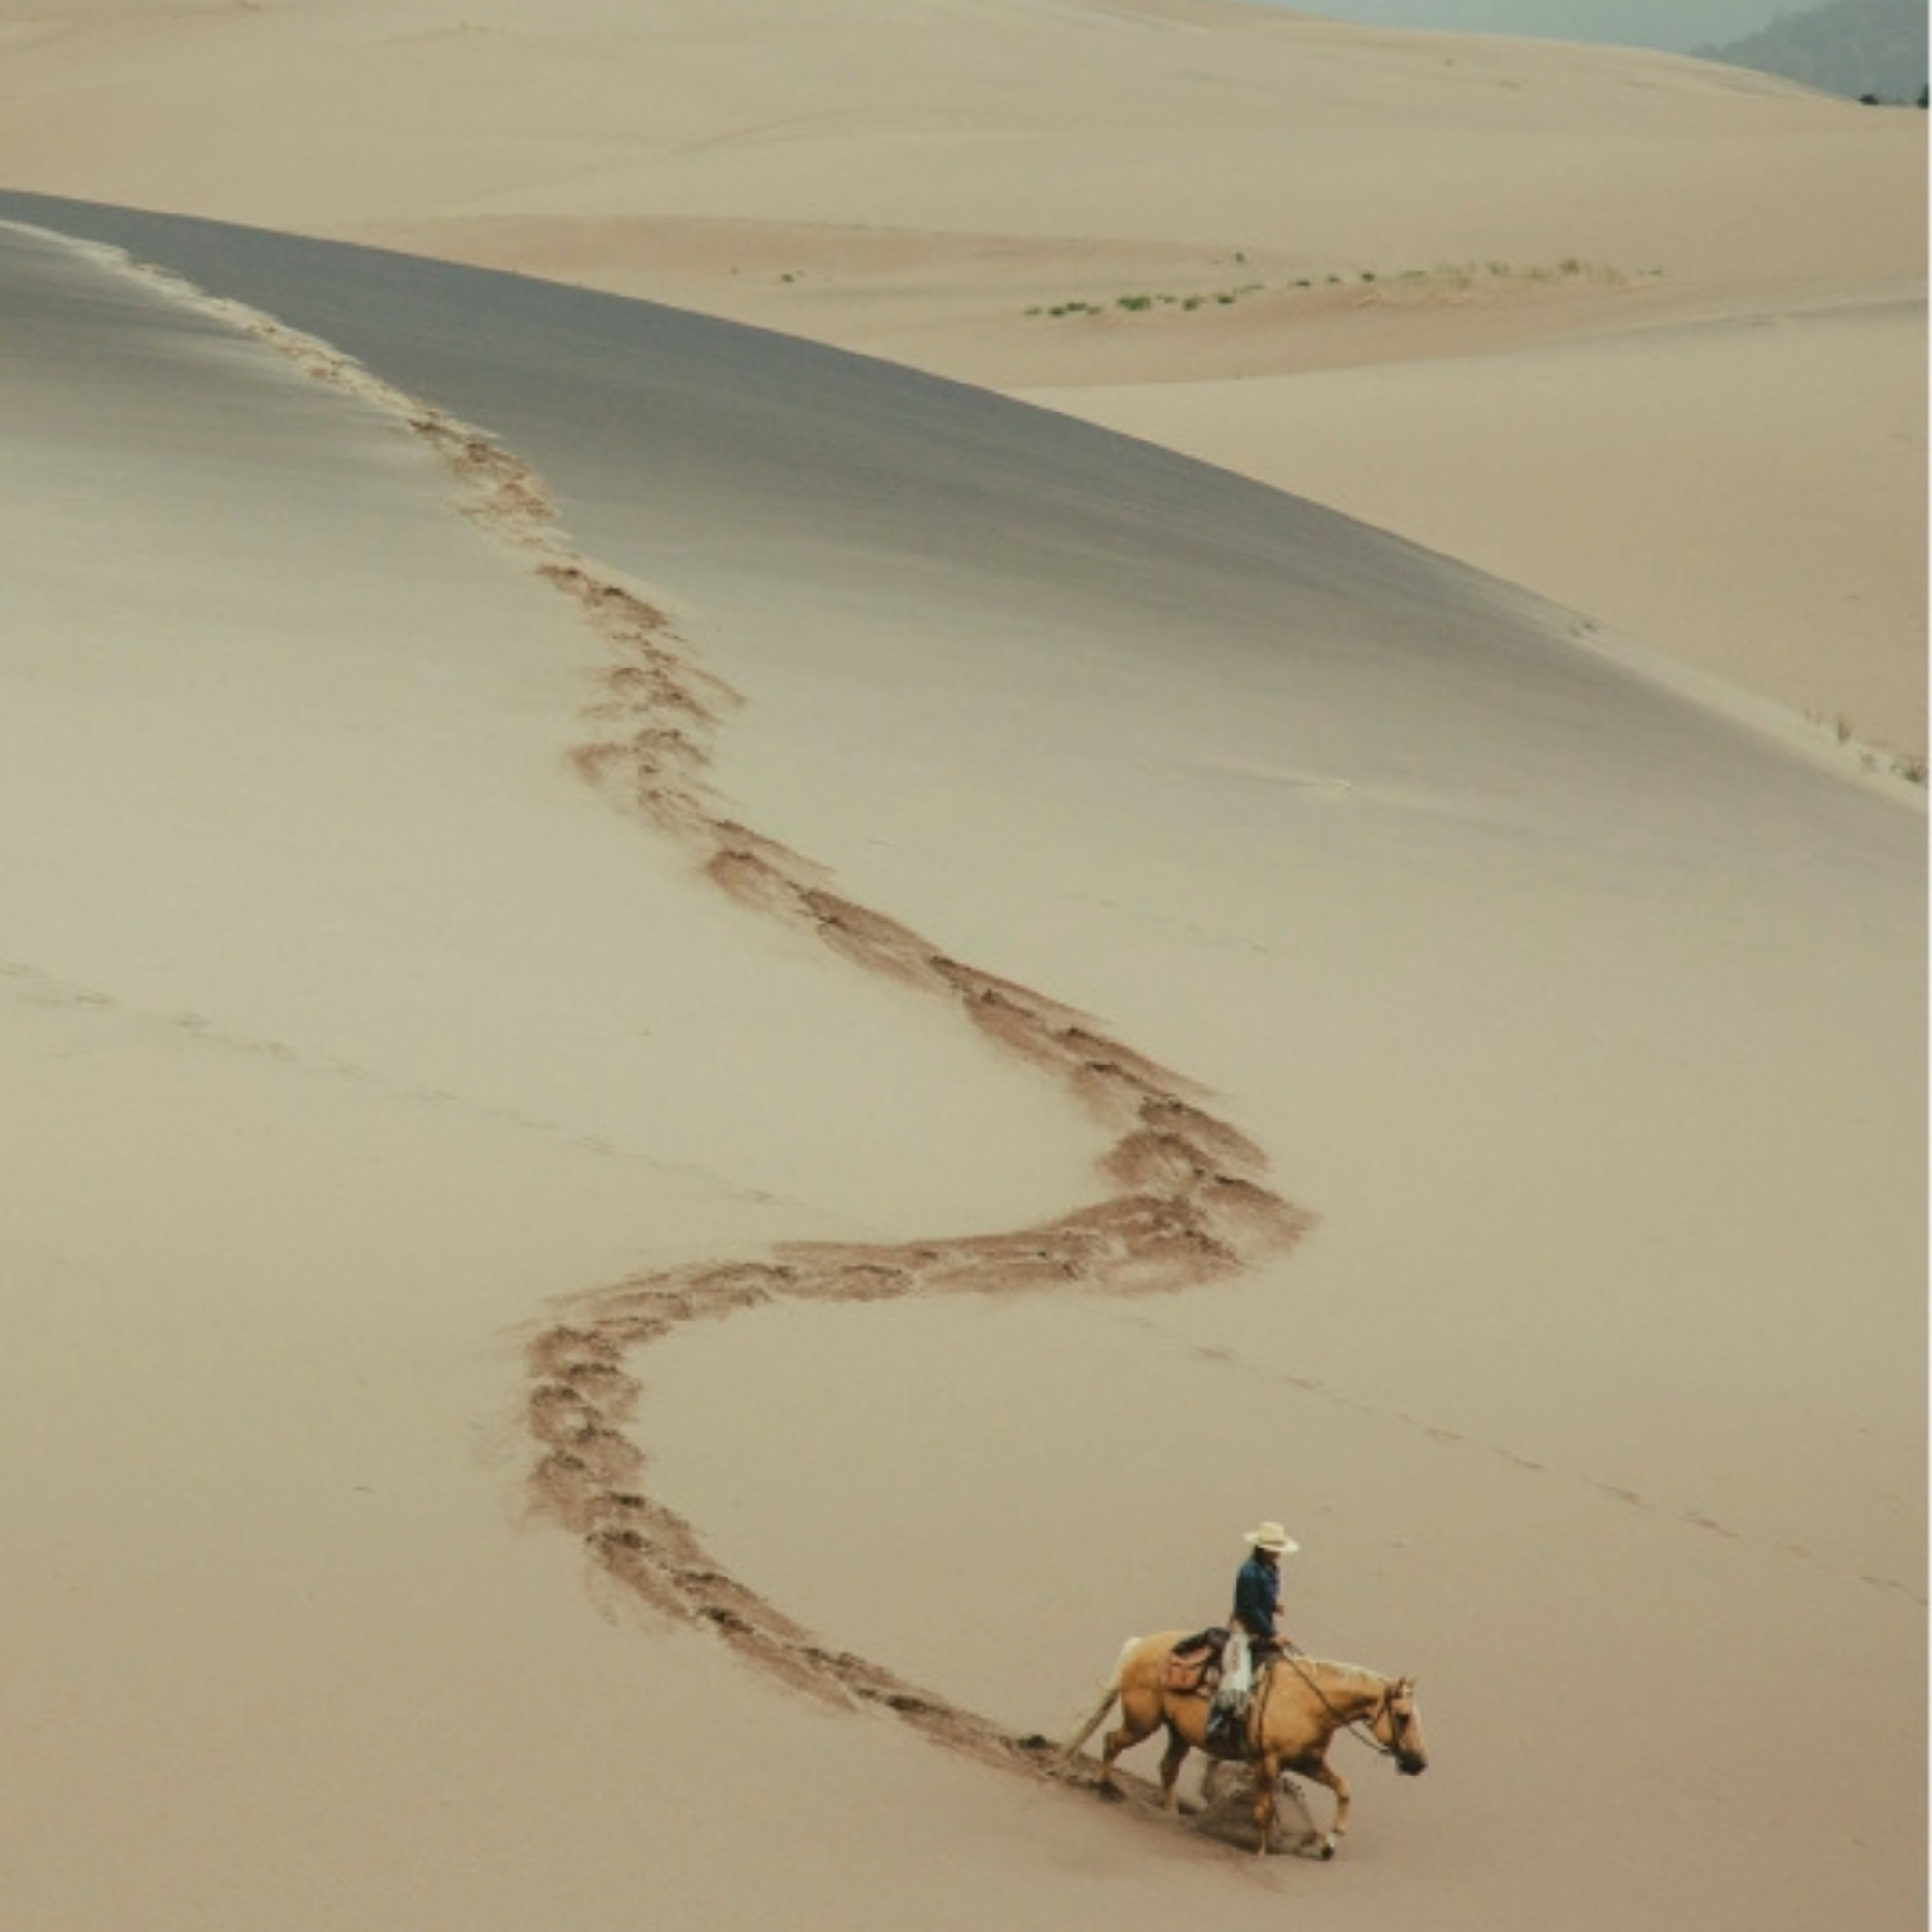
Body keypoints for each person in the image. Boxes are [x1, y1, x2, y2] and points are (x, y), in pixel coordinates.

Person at [1208, 1521, 1300, 1747]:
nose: (1278, 1553)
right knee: (1237, 1681)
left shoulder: (1271, 1569)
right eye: (1274, 1548)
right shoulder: (1249, 1572)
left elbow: (1263, 1598)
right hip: (1245, 1630)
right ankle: (1217, 1722)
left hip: (1263, 1627)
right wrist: (1272, 1634)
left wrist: (1273, 1604)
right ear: (1262, 1548)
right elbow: (1248, 1608)